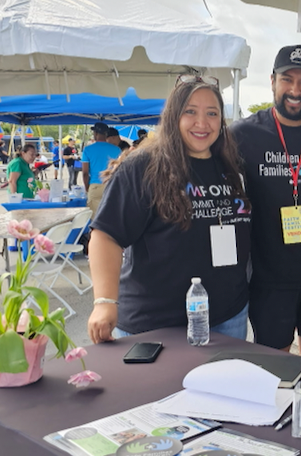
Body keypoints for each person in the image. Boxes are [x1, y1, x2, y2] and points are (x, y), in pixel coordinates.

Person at [86, 74, 252, 344]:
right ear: (174, 116)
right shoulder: (143, 167)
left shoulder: (230, 166)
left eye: (212, 113)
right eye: (190, 112)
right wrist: (104, 301)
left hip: (226, 319)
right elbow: (106, 236)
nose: (202, 122)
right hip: (154, 324)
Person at [229, 44, 301, 351]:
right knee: (275, 370)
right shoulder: (242, 134)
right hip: (269, 278)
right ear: (272, 81)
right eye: (287, 79)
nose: (295, 90)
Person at [82, 122, 122, 215]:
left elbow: (85, 173)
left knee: (94, 218)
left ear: (95, 133)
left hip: (95, 185)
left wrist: (87, 187)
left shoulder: (87, 150)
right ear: (106, 134)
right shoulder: (117, 149)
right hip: (112, 186)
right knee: (110, 216)